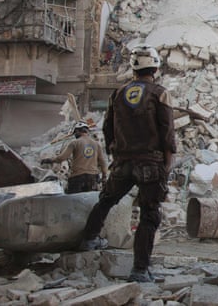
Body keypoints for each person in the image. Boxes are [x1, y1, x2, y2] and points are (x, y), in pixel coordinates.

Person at [78, 44, 176, 283]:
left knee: (106, 200)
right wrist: (167, 163)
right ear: (155, 68)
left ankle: (88, 239)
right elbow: (167, 132)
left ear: (133, 69)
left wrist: (115, 153)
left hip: (122, 162)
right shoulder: (160, 93)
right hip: (151, 163)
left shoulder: (118, 94)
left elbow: (107, 128)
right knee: (149, 214)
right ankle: (140, 270)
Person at [42, 122, 108, 193]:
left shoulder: (74, 143)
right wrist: (104, 176)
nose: (75, 135)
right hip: (93, 177)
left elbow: (61, 158)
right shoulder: (96, 144)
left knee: (75, 198)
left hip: (77, 177)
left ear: (77, 131)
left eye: (75, 133)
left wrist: (49, 160)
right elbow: (103, 162)